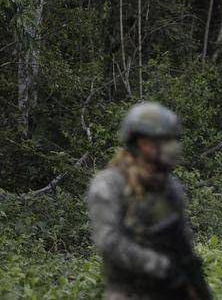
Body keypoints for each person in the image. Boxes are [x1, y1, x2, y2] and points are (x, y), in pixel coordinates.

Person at [87, 102, 212, 300]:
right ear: (144, 144)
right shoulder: (110, 184)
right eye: (166, 140)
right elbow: (109, 242)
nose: (174, 146)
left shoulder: (170, 187)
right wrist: (161, 266)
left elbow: (183, 239)